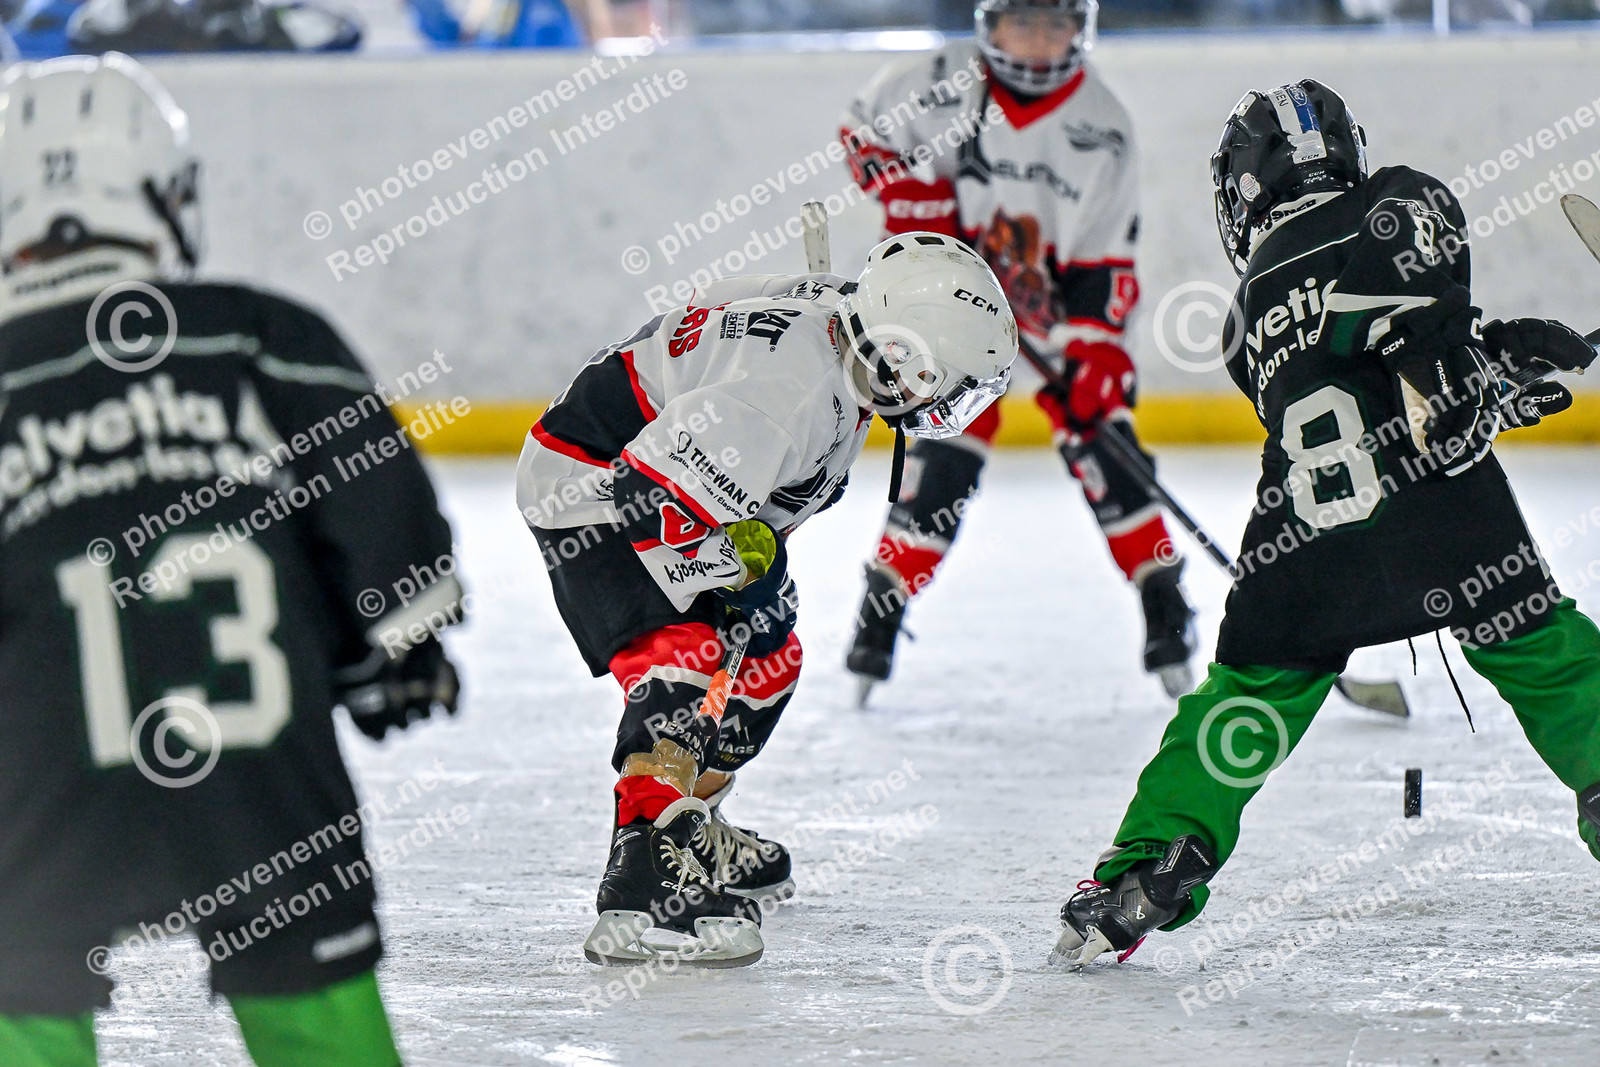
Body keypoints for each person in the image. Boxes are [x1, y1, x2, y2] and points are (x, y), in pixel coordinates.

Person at [1050, 79, 1600, 969]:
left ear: (1243, 192)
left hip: (1305, 534)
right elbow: (1396, 333)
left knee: (1245, 697)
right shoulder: (1398, 200)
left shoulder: (1239, 326)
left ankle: (1148, 866)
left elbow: (1350, 383)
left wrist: (1489, 369)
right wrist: (1460, 370)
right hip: (1447, 514)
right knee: (1552, 660)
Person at [0, 54, 461, 1065]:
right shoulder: (264, 337)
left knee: (19, 998)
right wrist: (390, 656)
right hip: (257, 766)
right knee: (315, 1008)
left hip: (35, 782)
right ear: (166, 197)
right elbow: (388, 536)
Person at [516, 231, 1018, 966]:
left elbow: (711, 313)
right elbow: (646, 499)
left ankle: (690, 826)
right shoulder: (788, 396)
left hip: (672, 485)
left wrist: (746, 571)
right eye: (948, 382)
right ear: (903, 357)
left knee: (768, 662)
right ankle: (645, 860)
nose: (948, 403)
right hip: (591, 491)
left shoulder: (849, 327)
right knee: (689, 656)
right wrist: (730, 576)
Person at [839, 0, 1198, 704]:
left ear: (1080, 29)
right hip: (948, 297)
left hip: (1054, 306)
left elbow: (1104, 260)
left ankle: (1161, 597)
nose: (1038, 42)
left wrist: (1093, 352)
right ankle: (882, 607)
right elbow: (861, 131)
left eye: (1056, 25)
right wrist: (915, 197)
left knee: (1106, 444)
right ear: (991, 24)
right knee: (944, 455)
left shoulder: (1105, 125)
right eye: (1023, 23)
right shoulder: (936, 82)